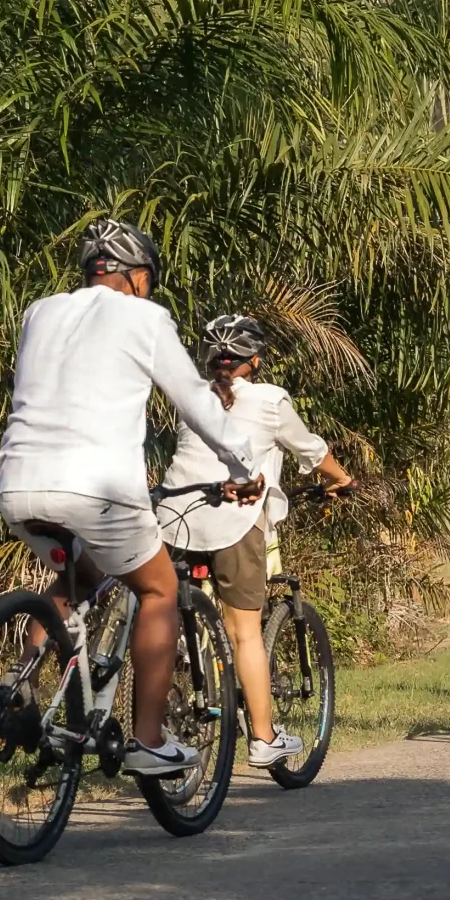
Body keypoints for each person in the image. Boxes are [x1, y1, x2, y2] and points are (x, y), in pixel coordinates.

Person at [0, 219, 265, 776]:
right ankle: (147, 738)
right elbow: (194, 398)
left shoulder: (39, 312)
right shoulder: (145, 316)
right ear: (138, 277)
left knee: (82, 578)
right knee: (160, 589)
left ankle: (15, 683)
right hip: (97, 486)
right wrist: (244, 465)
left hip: (17, 483)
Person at [156, 313, 358, 770]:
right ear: (257, 360)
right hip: (235, 518)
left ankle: (170, 705)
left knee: (165, 616)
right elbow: (312, 451)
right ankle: (264, 739)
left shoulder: (190, 398)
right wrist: (342, 479)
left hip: (176, 519)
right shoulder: (271, 400)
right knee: (244, 632)